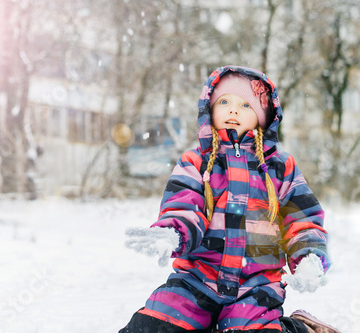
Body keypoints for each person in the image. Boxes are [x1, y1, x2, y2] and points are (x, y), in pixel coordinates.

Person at [120, 66, 340, 333]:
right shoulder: (197, 162)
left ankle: (298, 328)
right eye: (224, 102)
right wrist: (172, 233)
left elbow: (302, 220)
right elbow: (183, 205)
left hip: (256, 288)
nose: (233, 110)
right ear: (210, 109)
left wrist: (309, 257)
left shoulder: (280, 168)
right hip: (195, 280)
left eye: (245, 105)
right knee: (152, 325)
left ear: (263, 117)